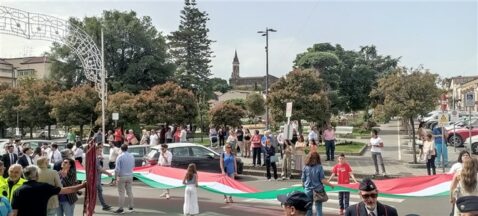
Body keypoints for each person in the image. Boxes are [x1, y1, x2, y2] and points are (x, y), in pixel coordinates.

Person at [11, 165, 86, 216]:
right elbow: (66, 190)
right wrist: (82, 185)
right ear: (37, 175)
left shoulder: (18, 191)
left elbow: (14, 212)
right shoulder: (44, 187)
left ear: (24, 176)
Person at [302, 152, 334, 216]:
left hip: (308, 190)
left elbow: (303, 180)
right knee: (318, 208)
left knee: (308, 208)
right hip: (318, 190)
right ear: (317, 158)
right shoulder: (319, 167)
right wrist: (331, 185)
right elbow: (322, 180)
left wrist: (305, 187)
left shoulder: (305, 167)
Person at [114, 144, 136, 214]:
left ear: (121, 149)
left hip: (122, 176)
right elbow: (133, 166)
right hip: (130, 175)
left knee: (121, 193)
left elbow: (117, 169)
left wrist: (115, 178)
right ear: (127, 148)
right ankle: (131, 207)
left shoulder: (119, 157)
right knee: (129, 192)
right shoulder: (132, 156)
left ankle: (121, 208)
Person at [95, 145, 113, 211]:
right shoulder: (95, 159)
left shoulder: (95, 158)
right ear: (96, 150)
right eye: (100, 150)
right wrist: (108, 173)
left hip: (97, 178)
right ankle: (89, 207)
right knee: (93, 194)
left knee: (99, 192)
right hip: (95, 179)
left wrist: (99, 158)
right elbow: (100, 169)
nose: (101, 152)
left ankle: (104, 205)